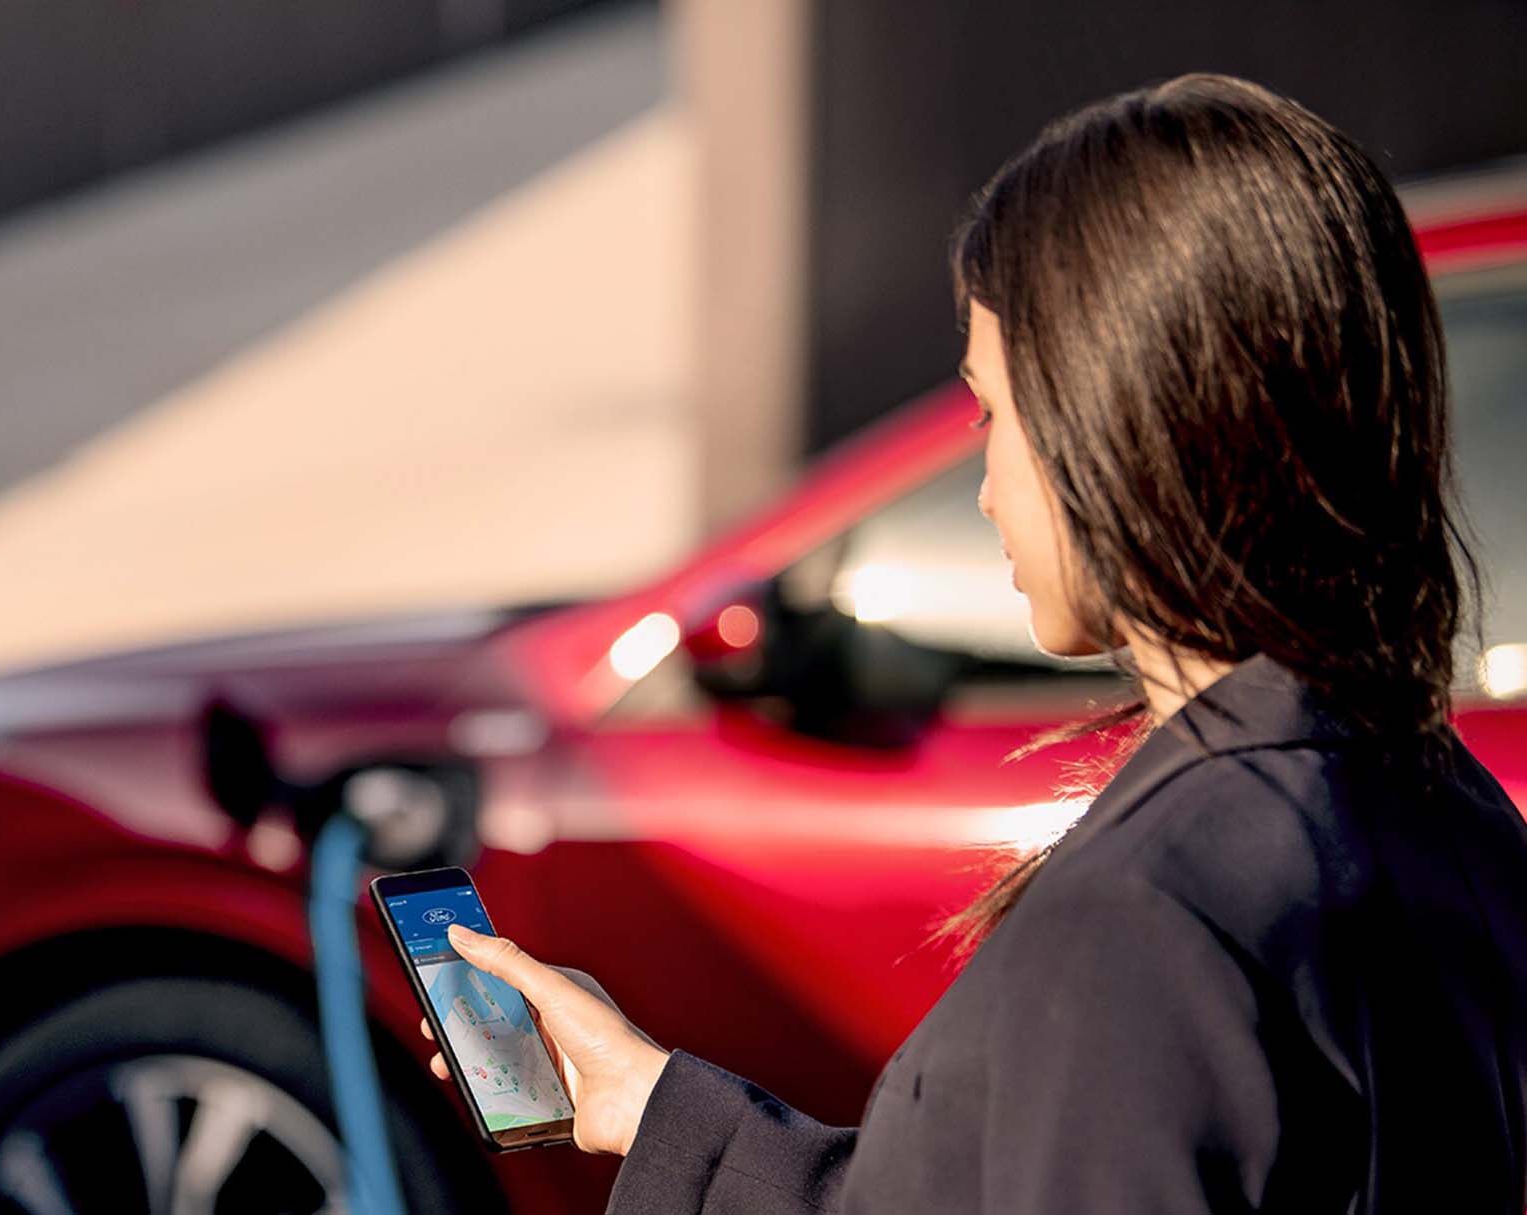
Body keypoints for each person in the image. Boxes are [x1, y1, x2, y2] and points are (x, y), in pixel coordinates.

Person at [420, 73, 1527, 1213]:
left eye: (993, 411)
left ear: (1119, 422)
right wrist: (652, 1109)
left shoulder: (1146, 924)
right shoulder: (1439, 808)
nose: (987, 484)